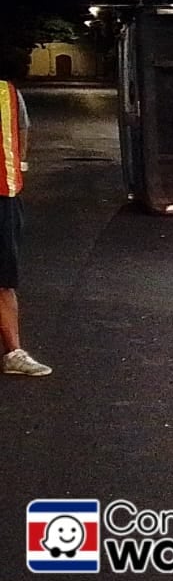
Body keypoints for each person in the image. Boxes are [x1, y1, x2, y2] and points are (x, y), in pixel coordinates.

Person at [0, 81, 50, 376]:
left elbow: (21, 131)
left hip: (3, 195)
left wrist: (18, 167)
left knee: (4, 278)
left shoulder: (7, 93)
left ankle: (13, 353)